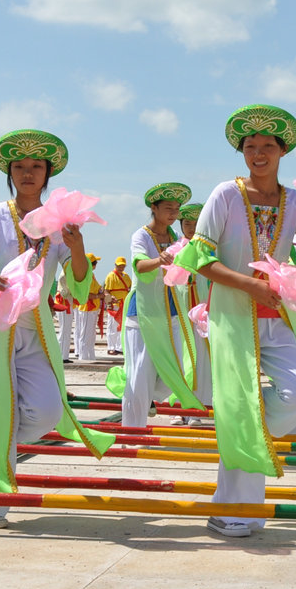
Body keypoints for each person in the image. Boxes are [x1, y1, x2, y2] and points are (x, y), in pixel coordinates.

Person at [171, 105, 296, 537]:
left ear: (282, 151)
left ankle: (240, 439)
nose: (258, 154)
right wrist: (248, 286)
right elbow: (197, 258)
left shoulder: (294, 202)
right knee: (242, 407)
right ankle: (233, 508)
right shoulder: (225, 195)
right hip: (233, 316)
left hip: (279, 316)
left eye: (267, 146)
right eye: (250, 147)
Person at [0, 129, 113, 528]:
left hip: (36, 328)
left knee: (46, 409)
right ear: (9, 173)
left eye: (36, 166)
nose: (27, 173)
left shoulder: (59, 224)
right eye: (19, 167)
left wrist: (74, 248)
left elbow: (78, 285)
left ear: (47, 173)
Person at [124, 182, 206, 426]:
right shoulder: (141, 236)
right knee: (139, 375)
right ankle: (133, 432)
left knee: (173, 372)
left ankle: (150, 398)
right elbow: (139, 266)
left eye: (176, 209)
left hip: (172, 312)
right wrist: (158, 260)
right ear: (154, 207)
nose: (173, 213)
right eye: (168, 207)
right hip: (143, 314)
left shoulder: (177, 238)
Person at [103, 256, 131, 356]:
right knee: (112, 326)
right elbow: (106, 291)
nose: (121, 267)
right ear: (115, 265)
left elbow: (130, 287)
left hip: (124, 304)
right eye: (119, 266)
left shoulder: (126, 276)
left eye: (123, 266)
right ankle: (111, 347)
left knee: (121, 326)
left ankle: (119, 347)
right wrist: (109, 301)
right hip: (114, 304)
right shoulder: (111, 276)